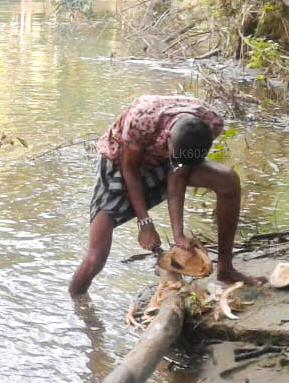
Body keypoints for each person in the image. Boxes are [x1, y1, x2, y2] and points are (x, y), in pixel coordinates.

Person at [69, 94, 265, 297]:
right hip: (123, 162)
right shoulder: (141, 120)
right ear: (168, 139)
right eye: (175, 157)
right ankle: (78, 301)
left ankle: (226, 268)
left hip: (170, 157)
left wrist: (178, 235)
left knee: (228, 181)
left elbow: (178, 173)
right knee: (96, 255)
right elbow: (129, 169)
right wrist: (144, 223)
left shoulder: (211, 124)